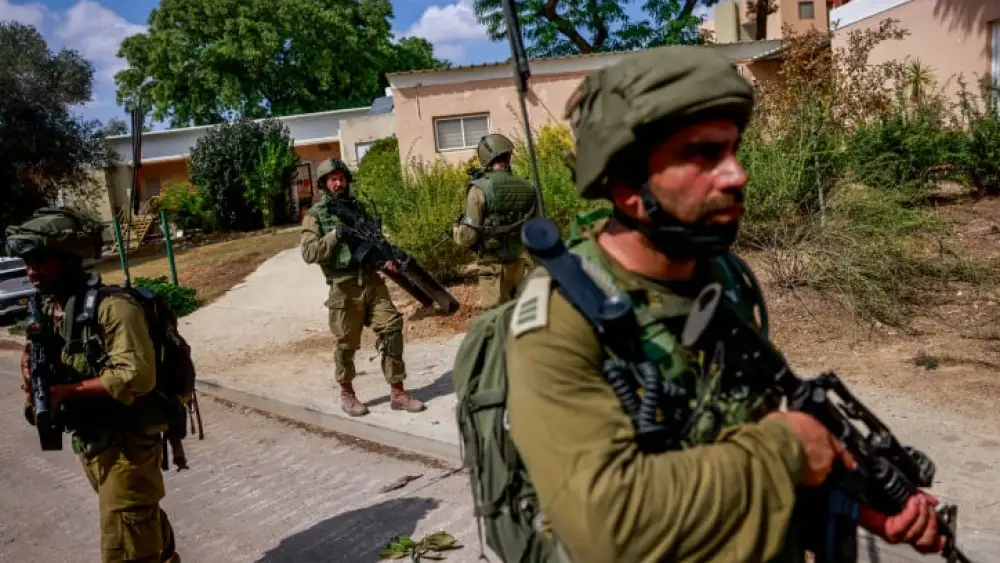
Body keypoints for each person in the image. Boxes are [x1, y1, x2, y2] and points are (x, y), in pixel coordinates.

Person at [504, 46, 947, 562]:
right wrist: (787, 448)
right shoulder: (560, 319)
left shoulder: (722, 279)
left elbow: (733, 440)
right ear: (627, 188)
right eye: (704, 154)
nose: (738, 175)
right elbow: (608, 526)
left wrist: (856, 506)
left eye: (734, 150)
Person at [9, 207, 181, 563]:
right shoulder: (53, 309)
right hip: (96, 444)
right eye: (27, 262)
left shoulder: (112, 308)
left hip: (127, 444)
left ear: (69, 259)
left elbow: (137, 374)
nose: (31, 271)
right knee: (140, 526)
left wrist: (68, 392)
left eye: (41, 260)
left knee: (126, 547)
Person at [300, 157, 425, 417]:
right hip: (344, 287)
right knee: (346, 343)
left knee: (391, 329)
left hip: (372, 281)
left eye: (341, 178)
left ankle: (398, 392)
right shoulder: (316, 216)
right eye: (333, 179)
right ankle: (347, 393)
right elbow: (309, 253)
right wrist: (335, 235)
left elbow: (375, 239)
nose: (338, 183)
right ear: (325, 184)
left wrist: (387, 257)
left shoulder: (358, 209)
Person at [453, 134, 537, 308]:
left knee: (496, 323)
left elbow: (467, 236)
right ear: (509, 155)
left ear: (485, 157)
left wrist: (456, 231)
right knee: (521, 319)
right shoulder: (528, 188)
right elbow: (538, 229)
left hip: (493, 269)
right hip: (520, 264)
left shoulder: (479, 189)